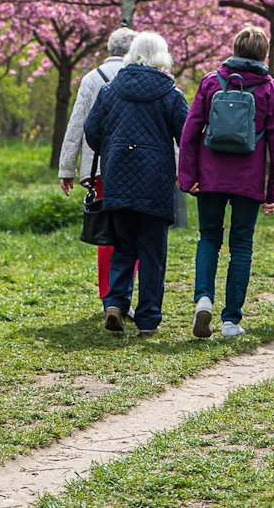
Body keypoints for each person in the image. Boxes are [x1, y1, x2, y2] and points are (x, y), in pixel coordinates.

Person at [177, 25, 274, 339]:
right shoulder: (271, 89)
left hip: (210, 176)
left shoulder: (212, 82)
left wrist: (188, 176)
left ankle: (203, 299)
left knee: (209, 239)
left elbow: (190, 131)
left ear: (235, 49)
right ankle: (230, 321)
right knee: (241, 245)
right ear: (263, 54)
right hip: (249, 179)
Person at [83, 31, 189, 335]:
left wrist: (113, 148)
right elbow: (186, 135)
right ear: (162, 56)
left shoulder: (110, 90)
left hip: (117, 176)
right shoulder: (170, 93)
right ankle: (148, 319)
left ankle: (115, 303)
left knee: (123, 247)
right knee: (153, 254)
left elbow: (92, 131)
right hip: (155, 181)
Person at [59, 28, 135, 302]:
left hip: (99, 167)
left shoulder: (92, 79)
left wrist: (66, 169)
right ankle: (125, 294)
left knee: (107, 232)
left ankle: (108, 295)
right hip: (134, 167)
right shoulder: (141, 77)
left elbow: (76, 124)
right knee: (133, 230)